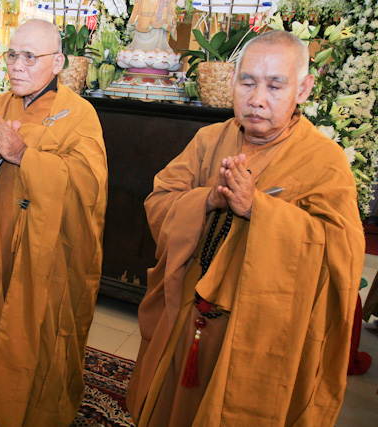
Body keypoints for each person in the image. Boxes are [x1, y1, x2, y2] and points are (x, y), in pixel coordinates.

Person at [125, 30, 365, 426]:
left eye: (275, 86)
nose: (257, 99)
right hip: (187, 314)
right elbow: (160, 200)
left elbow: (341, 252)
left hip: (259, 331)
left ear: (303, 89)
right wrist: (208, 199)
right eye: (248, 82)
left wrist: (258, 209)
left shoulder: (324, 161)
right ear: (233, 81)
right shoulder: (209, 140)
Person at [0, 19, 107, 426]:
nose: (16, 65)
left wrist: (23, 155)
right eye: (12, 55)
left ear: (58, 63)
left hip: (45, 255)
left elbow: (88, 186)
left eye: (30, 57)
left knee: (38, 337)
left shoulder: (80, 115)